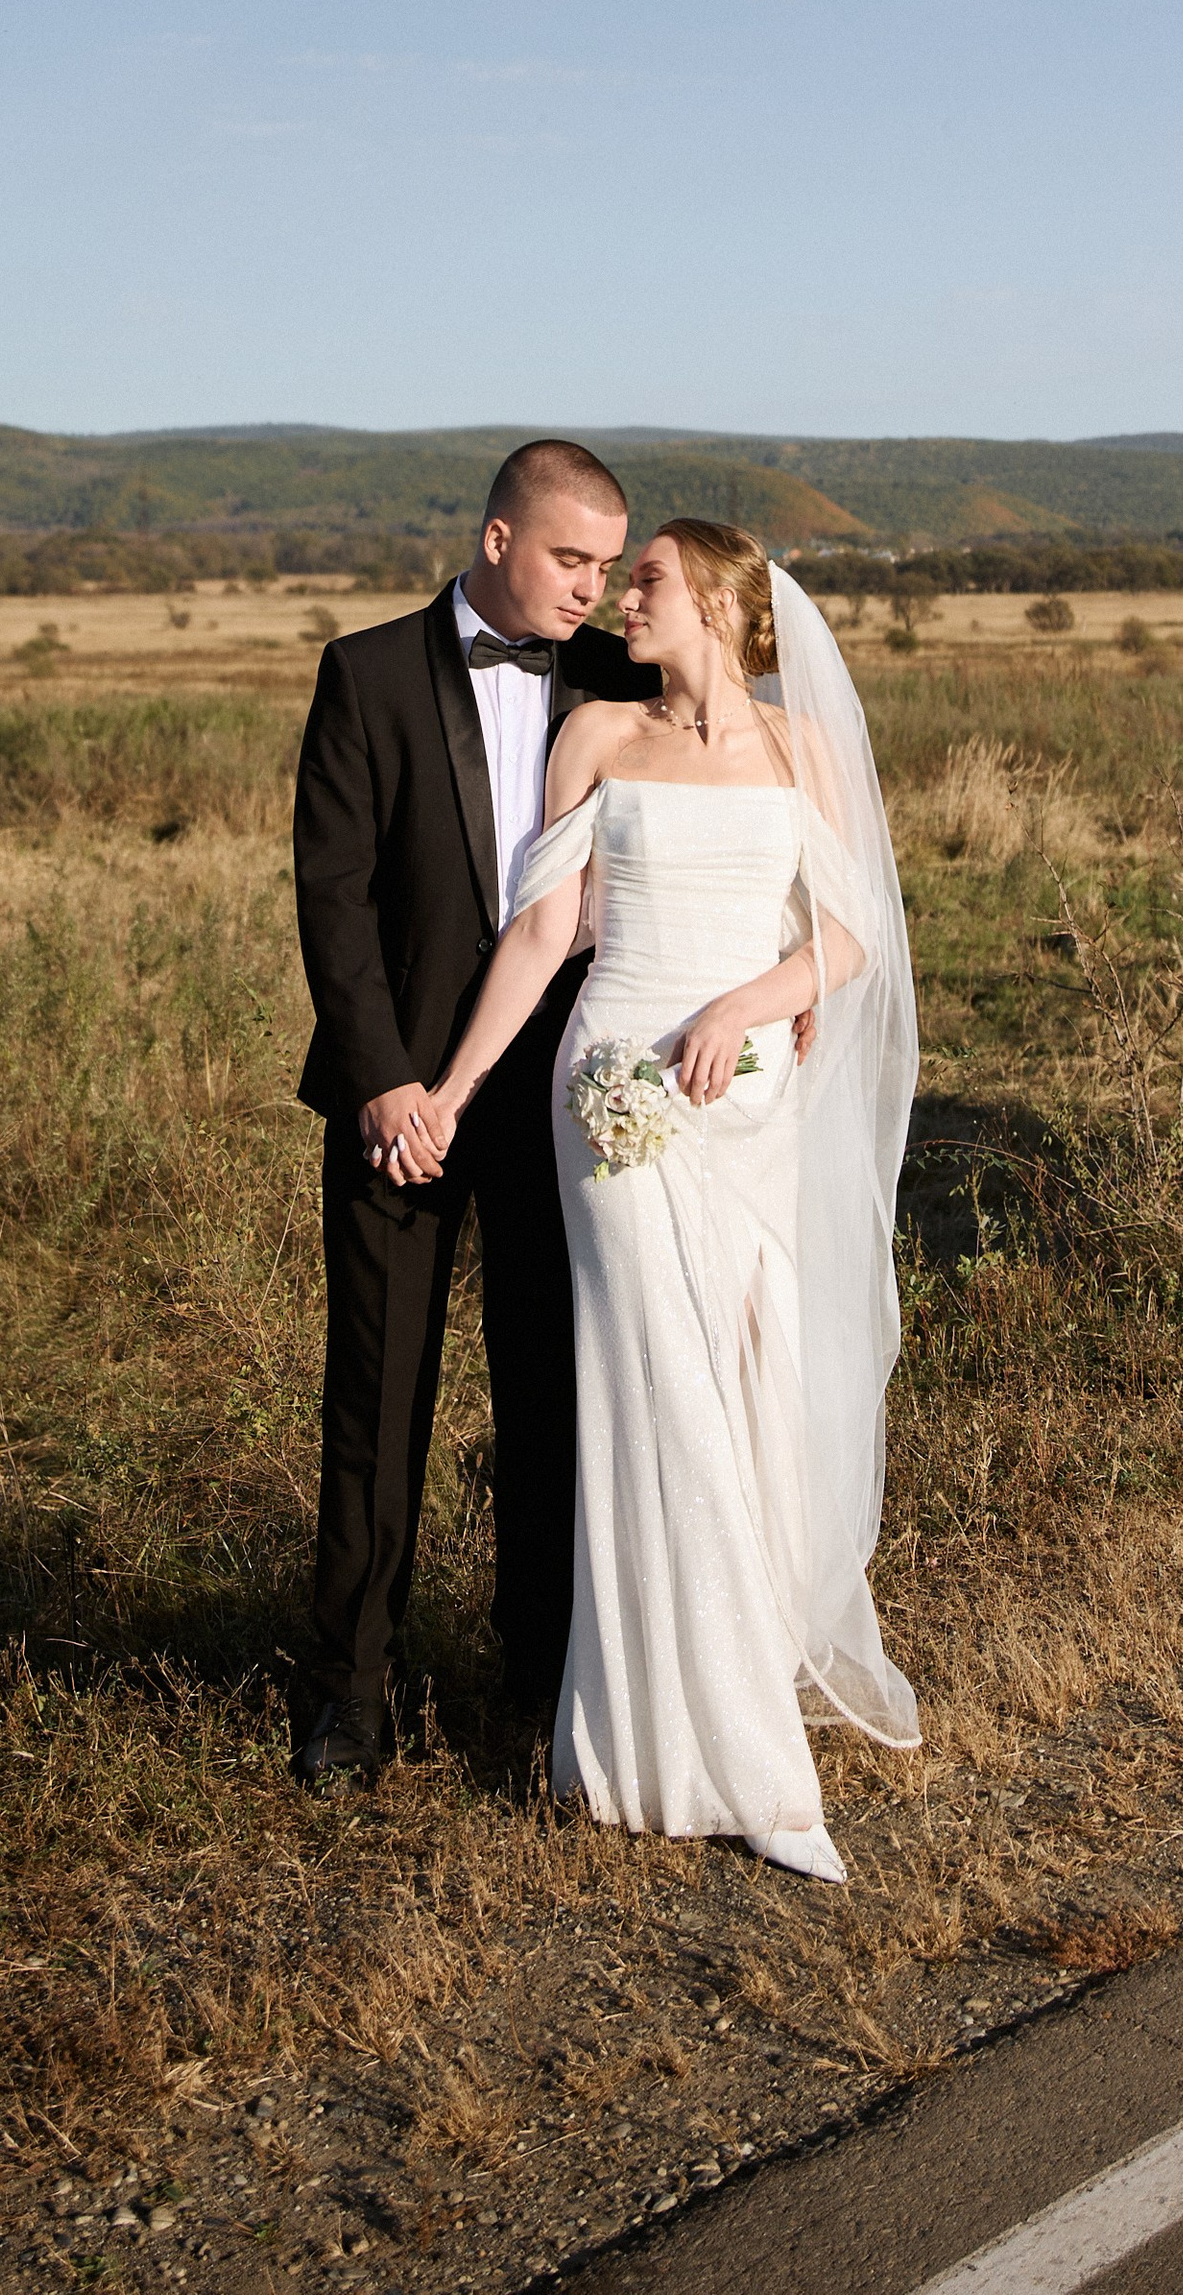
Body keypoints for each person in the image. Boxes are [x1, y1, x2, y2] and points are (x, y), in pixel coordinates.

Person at [405, 517, 920, 1877]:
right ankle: (751, 1771)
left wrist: (758, 996)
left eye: (646, 582)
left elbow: (855, 932)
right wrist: (454, 1092)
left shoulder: (799, 751)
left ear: (720, 606)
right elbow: (542, 934)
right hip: (614, 1093)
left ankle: (640, 1745)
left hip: (744, 1098)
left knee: (744, 1387)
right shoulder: (596, 741)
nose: (620, 597)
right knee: (660, 1396)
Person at [289, 439, 657, 1787]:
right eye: (572, 560)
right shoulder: (369, 675)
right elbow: (332, 897)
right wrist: (387, 1077)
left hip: (566, 1091)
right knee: (377, 1400)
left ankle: (543, 1670)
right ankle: (347, 1700)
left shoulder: (620, 680)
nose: (592, 589)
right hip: (401, 1095)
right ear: (497, 540)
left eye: (611, 568)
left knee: (556, 1387)